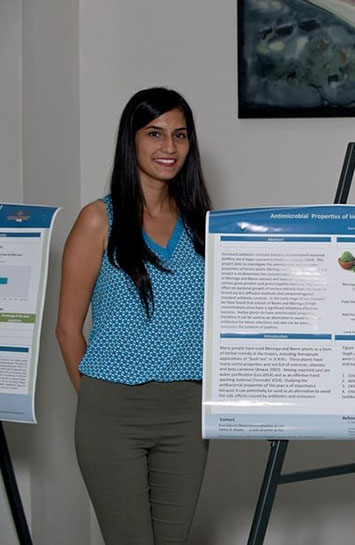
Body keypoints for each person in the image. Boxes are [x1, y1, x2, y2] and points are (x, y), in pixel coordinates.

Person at [56, 87, 212, 545]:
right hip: (112, 411)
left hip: (187, 413)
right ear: (132, 140)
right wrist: (98, 403)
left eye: (180, 135)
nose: (169, 147)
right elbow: (67, 328)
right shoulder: (97, 220)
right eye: (155, 133)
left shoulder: (203, 224)